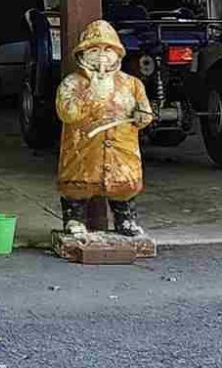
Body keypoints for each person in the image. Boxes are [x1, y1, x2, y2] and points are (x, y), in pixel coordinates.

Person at [53, 18, 152, 238]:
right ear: (82, 55)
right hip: (84, 149)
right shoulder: (72, 83)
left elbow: (145, 112)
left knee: (123, 186)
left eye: (108, 50)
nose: (101, 56)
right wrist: (90, 93)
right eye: (94, 50)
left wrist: (141, 116)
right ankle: (74, 218)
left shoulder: (132, 84)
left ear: (118, 55)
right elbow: (66, 113)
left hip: (121, 150)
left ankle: (125, 219)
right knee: (77, 184)